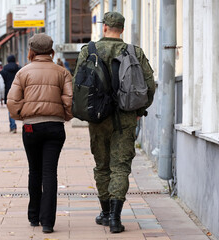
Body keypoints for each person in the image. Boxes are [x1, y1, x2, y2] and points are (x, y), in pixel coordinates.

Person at [73, 12, 155, 234]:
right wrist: (139, 110)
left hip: (98, 119)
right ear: (122, 29)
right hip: (126, 117)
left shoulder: (88, 51)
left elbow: (78, 86)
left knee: (102, 166)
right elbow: (149, 85)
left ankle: (105, 212)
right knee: (120, 166)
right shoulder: (134, 51)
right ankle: (116, 219)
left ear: (105, 28)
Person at [7, 33, 73, 234]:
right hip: (54, 127)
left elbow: (12, 101)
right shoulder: (62, 73)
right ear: (52, 51)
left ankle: (34, 216)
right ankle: (48, 223)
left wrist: (21, 116)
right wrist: (65, 116)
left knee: (34, 170)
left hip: (31, 127)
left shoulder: (23, 72)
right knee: (49, 172)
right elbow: (70, 100)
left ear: (31, 51)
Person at [0, 55, 21, 133]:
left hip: (8, 92)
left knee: (10, 110)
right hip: (19, 91)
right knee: (22, 109)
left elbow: (1, 82)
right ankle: (26, 126)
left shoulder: (4, 70)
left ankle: (13, 127)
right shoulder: (19, 69)